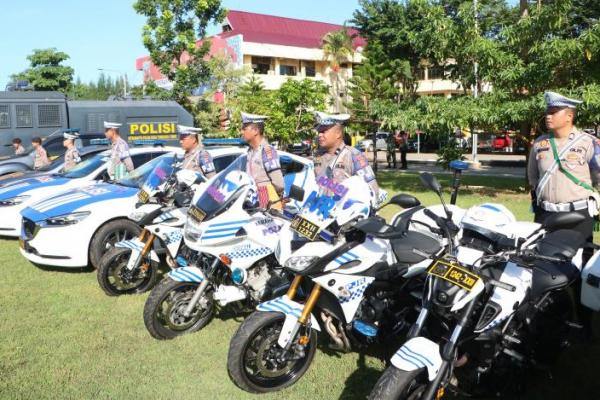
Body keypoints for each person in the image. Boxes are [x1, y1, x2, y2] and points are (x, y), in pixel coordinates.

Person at [313, 111, 380, 200]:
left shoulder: (354, 155)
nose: (320, 135)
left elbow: (373, 191)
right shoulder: (317, 156)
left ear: (338, 134)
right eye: (319, 132)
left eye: (323, 131)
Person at [240, 112, 285, 208]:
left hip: (267, 201)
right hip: (253, 199)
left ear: (255, 131)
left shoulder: (267, 150)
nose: (241, 132)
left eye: (244, 129)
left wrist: (275, 196)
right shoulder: (251, 151)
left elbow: (279, 183)